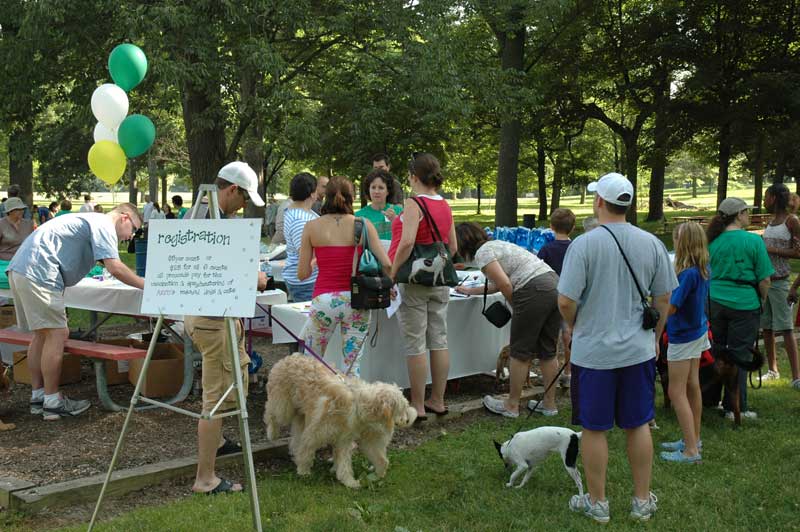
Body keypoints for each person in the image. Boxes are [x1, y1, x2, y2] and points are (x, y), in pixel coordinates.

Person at [558, 172, 676, 523]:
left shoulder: (584, 244)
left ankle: (598, 502)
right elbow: (665, 297)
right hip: (637, 351)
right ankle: (641, 501)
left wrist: (574, 325)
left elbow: (566, 300)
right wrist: (654, 337)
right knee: (638, 424)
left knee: (594, 428)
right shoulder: (651, 242)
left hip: (593, 352)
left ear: (599, 202)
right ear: (629, 204)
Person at [7, 203, 144, 420]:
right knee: (57, 334)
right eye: (134, 229)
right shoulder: (104, 224)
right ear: (124, 218)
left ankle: (38, 396)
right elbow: (115, 267)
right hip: (40, 272)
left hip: (21, 269)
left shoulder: (91, 221)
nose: (131, 237)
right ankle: (53, 403)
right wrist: (146, 285)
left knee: (42, 334)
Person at [183, 161, 268, 495]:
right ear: (232, 189)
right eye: (244, 197)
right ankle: (205, 478)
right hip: (211, 318)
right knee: (215, 399)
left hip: (208, 314)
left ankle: (217, 443)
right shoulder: (211, 219)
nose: (245, 205)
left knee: (223, 388)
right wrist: (257, 279)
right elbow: (220, 271)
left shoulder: (202, 212)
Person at [454, 222, 560, 418]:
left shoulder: (483, 253)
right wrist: (471, 290)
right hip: (552, 284)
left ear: (462, 242)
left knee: (520, 352)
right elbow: (502, 281)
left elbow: (504, 283)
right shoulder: (498, 245)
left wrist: (516, 306)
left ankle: (511, 406)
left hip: (532, 291)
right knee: (548, 351)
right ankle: (549, 404)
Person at [298, 176, 391, 376]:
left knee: (311, 363)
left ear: (325, 197)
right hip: (357, 300)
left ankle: (312, 404)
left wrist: (318, 261)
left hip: (324, 299)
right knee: (352, 366)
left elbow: (302, 274)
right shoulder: (364, 225)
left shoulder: (312, 227)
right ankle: (351, 404)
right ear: (353, 197)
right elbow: (387, 263)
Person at [388, 153, 456, 420]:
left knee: (415, 344)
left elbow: (406, 243)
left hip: (415, 282)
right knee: (439, 340)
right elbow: (453, 247)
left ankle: (417, 404)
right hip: (440, 282)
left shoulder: (413, 203)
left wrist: (393, 273)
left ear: (414, 176)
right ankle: (438, 399)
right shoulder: (445, 205)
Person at [706, 197, 772, 420]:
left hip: (715, 301)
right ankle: (737, 407)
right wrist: (761, 300)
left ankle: (710, 399)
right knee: (740, 355)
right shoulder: (753, 242)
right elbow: (765, 279)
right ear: (739, 214)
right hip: (745, 303)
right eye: (746, 211)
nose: (749, 215)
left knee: (716, 351)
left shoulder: (712, 241)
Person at [659, 222, 709, 463]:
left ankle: (690, 450)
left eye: (676, 239)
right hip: (697, 331)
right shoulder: (700, 268)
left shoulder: (686, 274)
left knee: (675, 390)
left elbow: (671, 307)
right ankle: (693, 438)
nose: (674, 243)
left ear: (683, 242)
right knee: (691, 385)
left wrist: (653, 313)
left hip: (684, 336)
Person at [760, 184, 800, 389]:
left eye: (766, 197)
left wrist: (771, 248)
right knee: (767, 328)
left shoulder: (791, 221)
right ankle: (772, 370)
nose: (764, 201)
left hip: (782, 283)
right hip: (766, 282)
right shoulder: (771, 222)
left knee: (785, 329)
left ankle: (796, 377)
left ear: (774, 198)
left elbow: (798, 251)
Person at [537, 208, 577, 387]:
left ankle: (551, 372)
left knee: (550, 337)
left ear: (551, 226)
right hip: (573, 295)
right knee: (568, 335)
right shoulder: (577, 247)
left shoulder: (546, 249)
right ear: (573, 227)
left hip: (552, 295)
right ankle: (569, 372)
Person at [282, 173, 319, 302]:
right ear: (312, 193)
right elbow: (305, 255)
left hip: (304, 280)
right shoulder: (300, 220)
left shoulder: (298, 212)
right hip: (306, 283)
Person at [355, 169, 403, 241]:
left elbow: (408, 237)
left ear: (388, 191)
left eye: (381, 188)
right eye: (373, 187)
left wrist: (395, 220)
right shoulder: (359, 216)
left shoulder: (399, 211)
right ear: (368, 190)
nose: (376, 191)